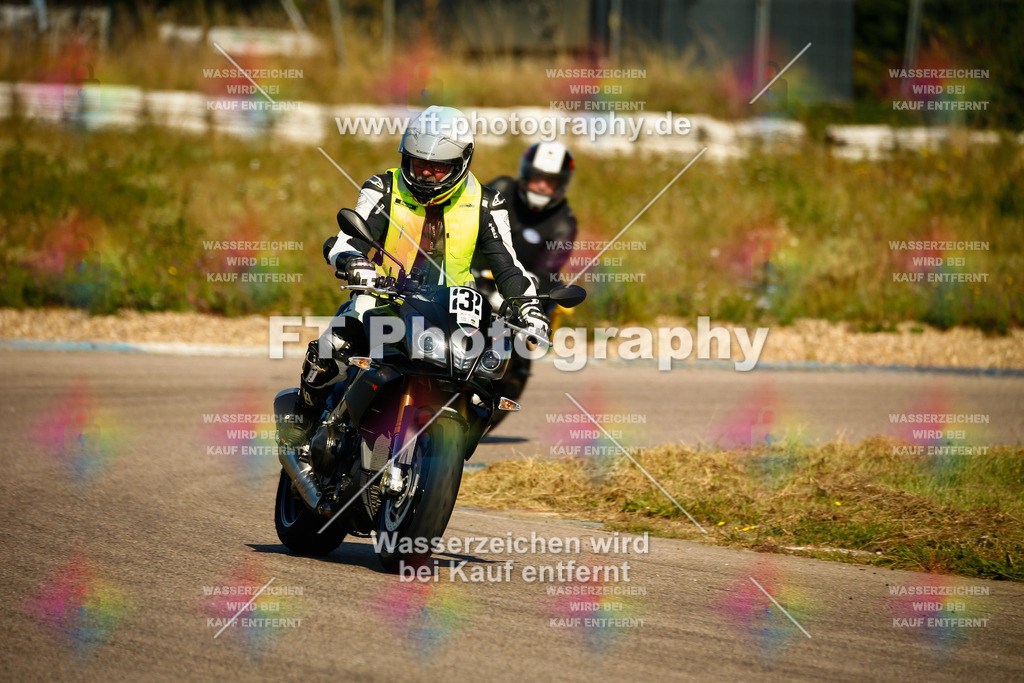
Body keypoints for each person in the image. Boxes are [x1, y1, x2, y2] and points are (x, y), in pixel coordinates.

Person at [279, 106, 549, 447]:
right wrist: (352, 260)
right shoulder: (384, 187)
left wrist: (529, 308)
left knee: (487, 374)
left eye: (437, 167)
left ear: (462, 162)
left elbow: (508, 266)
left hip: (453, 310)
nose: (425, 173)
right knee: (335, 347)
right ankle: (303, 415)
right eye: (417, 162)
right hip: (384, 297)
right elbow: (348, 240)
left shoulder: (486, 203)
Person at [473, 141, 577, 300]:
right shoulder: (502, 188)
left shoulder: (564, 224)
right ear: (526, 174)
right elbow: (468, 225)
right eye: (537, 177)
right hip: (472, 276)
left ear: (562, 184)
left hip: (525, 294)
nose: (542, 186)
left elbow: (547, 273)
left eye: (550, 181)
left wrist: (516, 292)